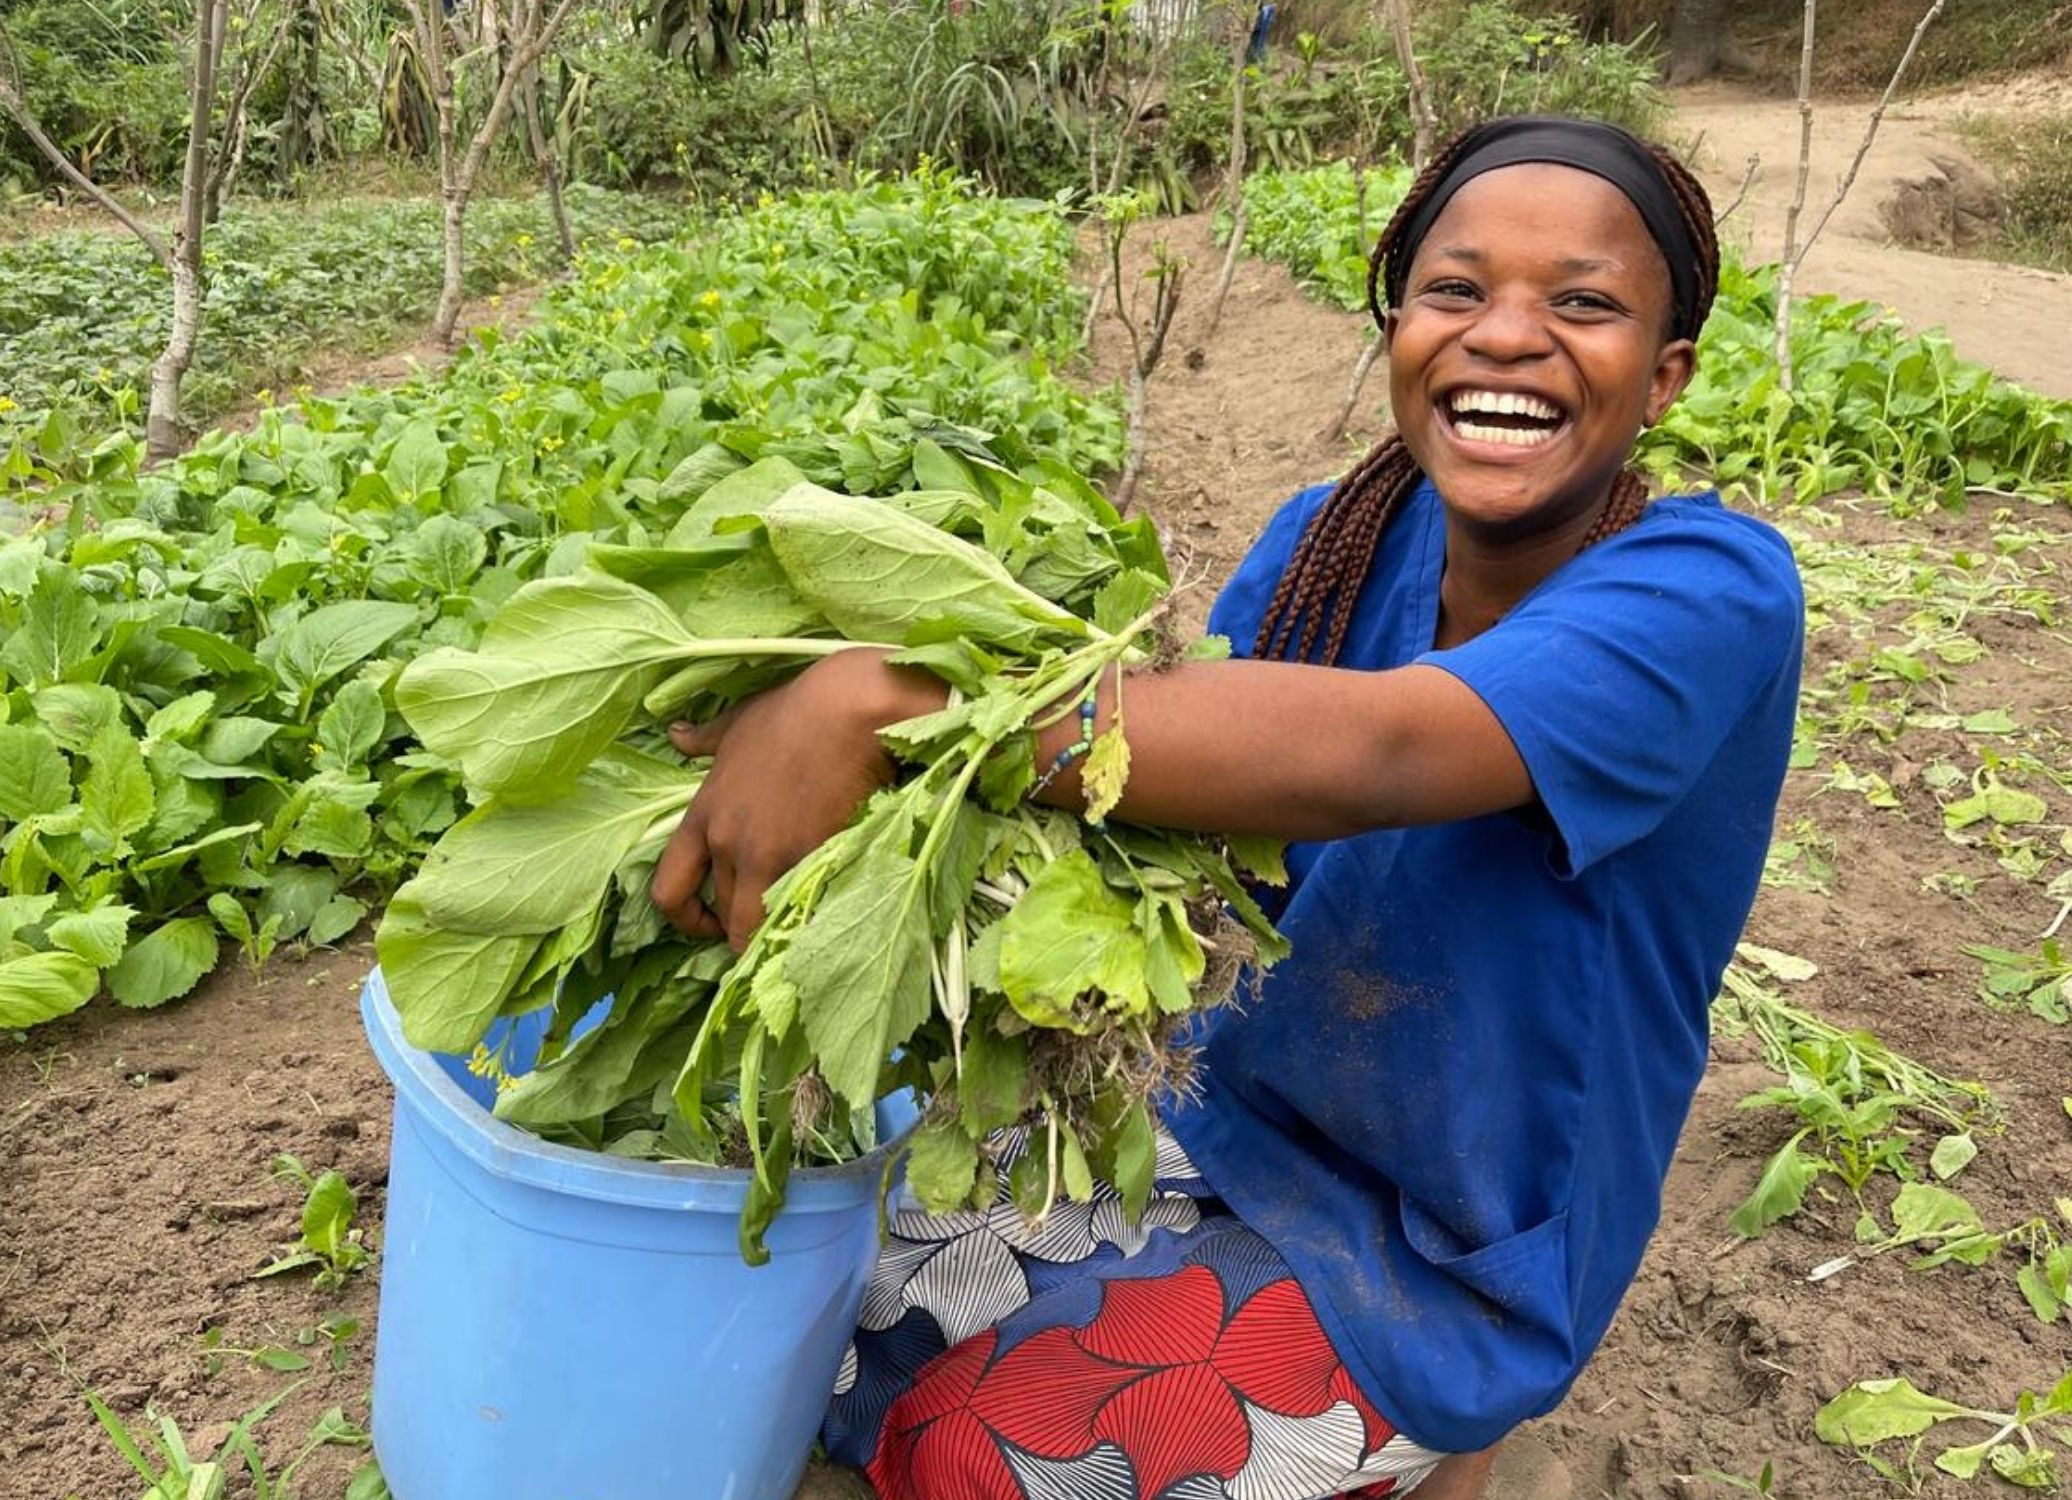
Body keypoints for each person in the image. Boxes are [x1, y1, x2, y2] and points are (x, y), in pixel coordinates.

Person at [652, 115, 1805, 1500]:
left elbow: (1385, 748)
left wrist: (900, 708)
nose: (1505, 334)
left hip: (1439, 1250)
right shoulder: (1332, 543)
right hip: (1220, 1120)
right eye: (1454, 289)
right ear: (1394, 329)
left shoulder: (1708, 593)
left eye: (1582, 303)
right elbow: (1183, 802)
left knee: (975, 1457)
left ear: (1663, 376)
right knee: (808, 1307)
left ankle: (1461, 1446)